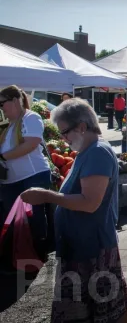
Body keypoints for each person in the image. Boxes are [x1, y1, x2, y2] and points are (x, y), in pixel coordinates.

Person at [20, 98, 127, 323]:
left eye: (65, 132)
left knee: (111, 308)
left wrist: (45, 195)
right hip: (83, 247)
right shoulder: (88, 150)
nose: (63, 138)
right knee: (109, 307)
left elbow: (89, 202)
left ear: (81, 127)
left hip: (92, 250)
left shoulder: (97, 152)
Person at [0, 85, 52, 258]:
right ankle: (19, 257)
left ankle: (38, 256)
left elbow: (30, 144)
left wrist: (2, 158)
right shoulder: (8, 127)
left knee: (33, 218)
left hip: (33, 176)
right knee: (13, 220)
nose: (1, 108)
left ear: (15, 100)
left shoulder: (30, 117)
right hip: (11, 181)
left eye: (2, 104)